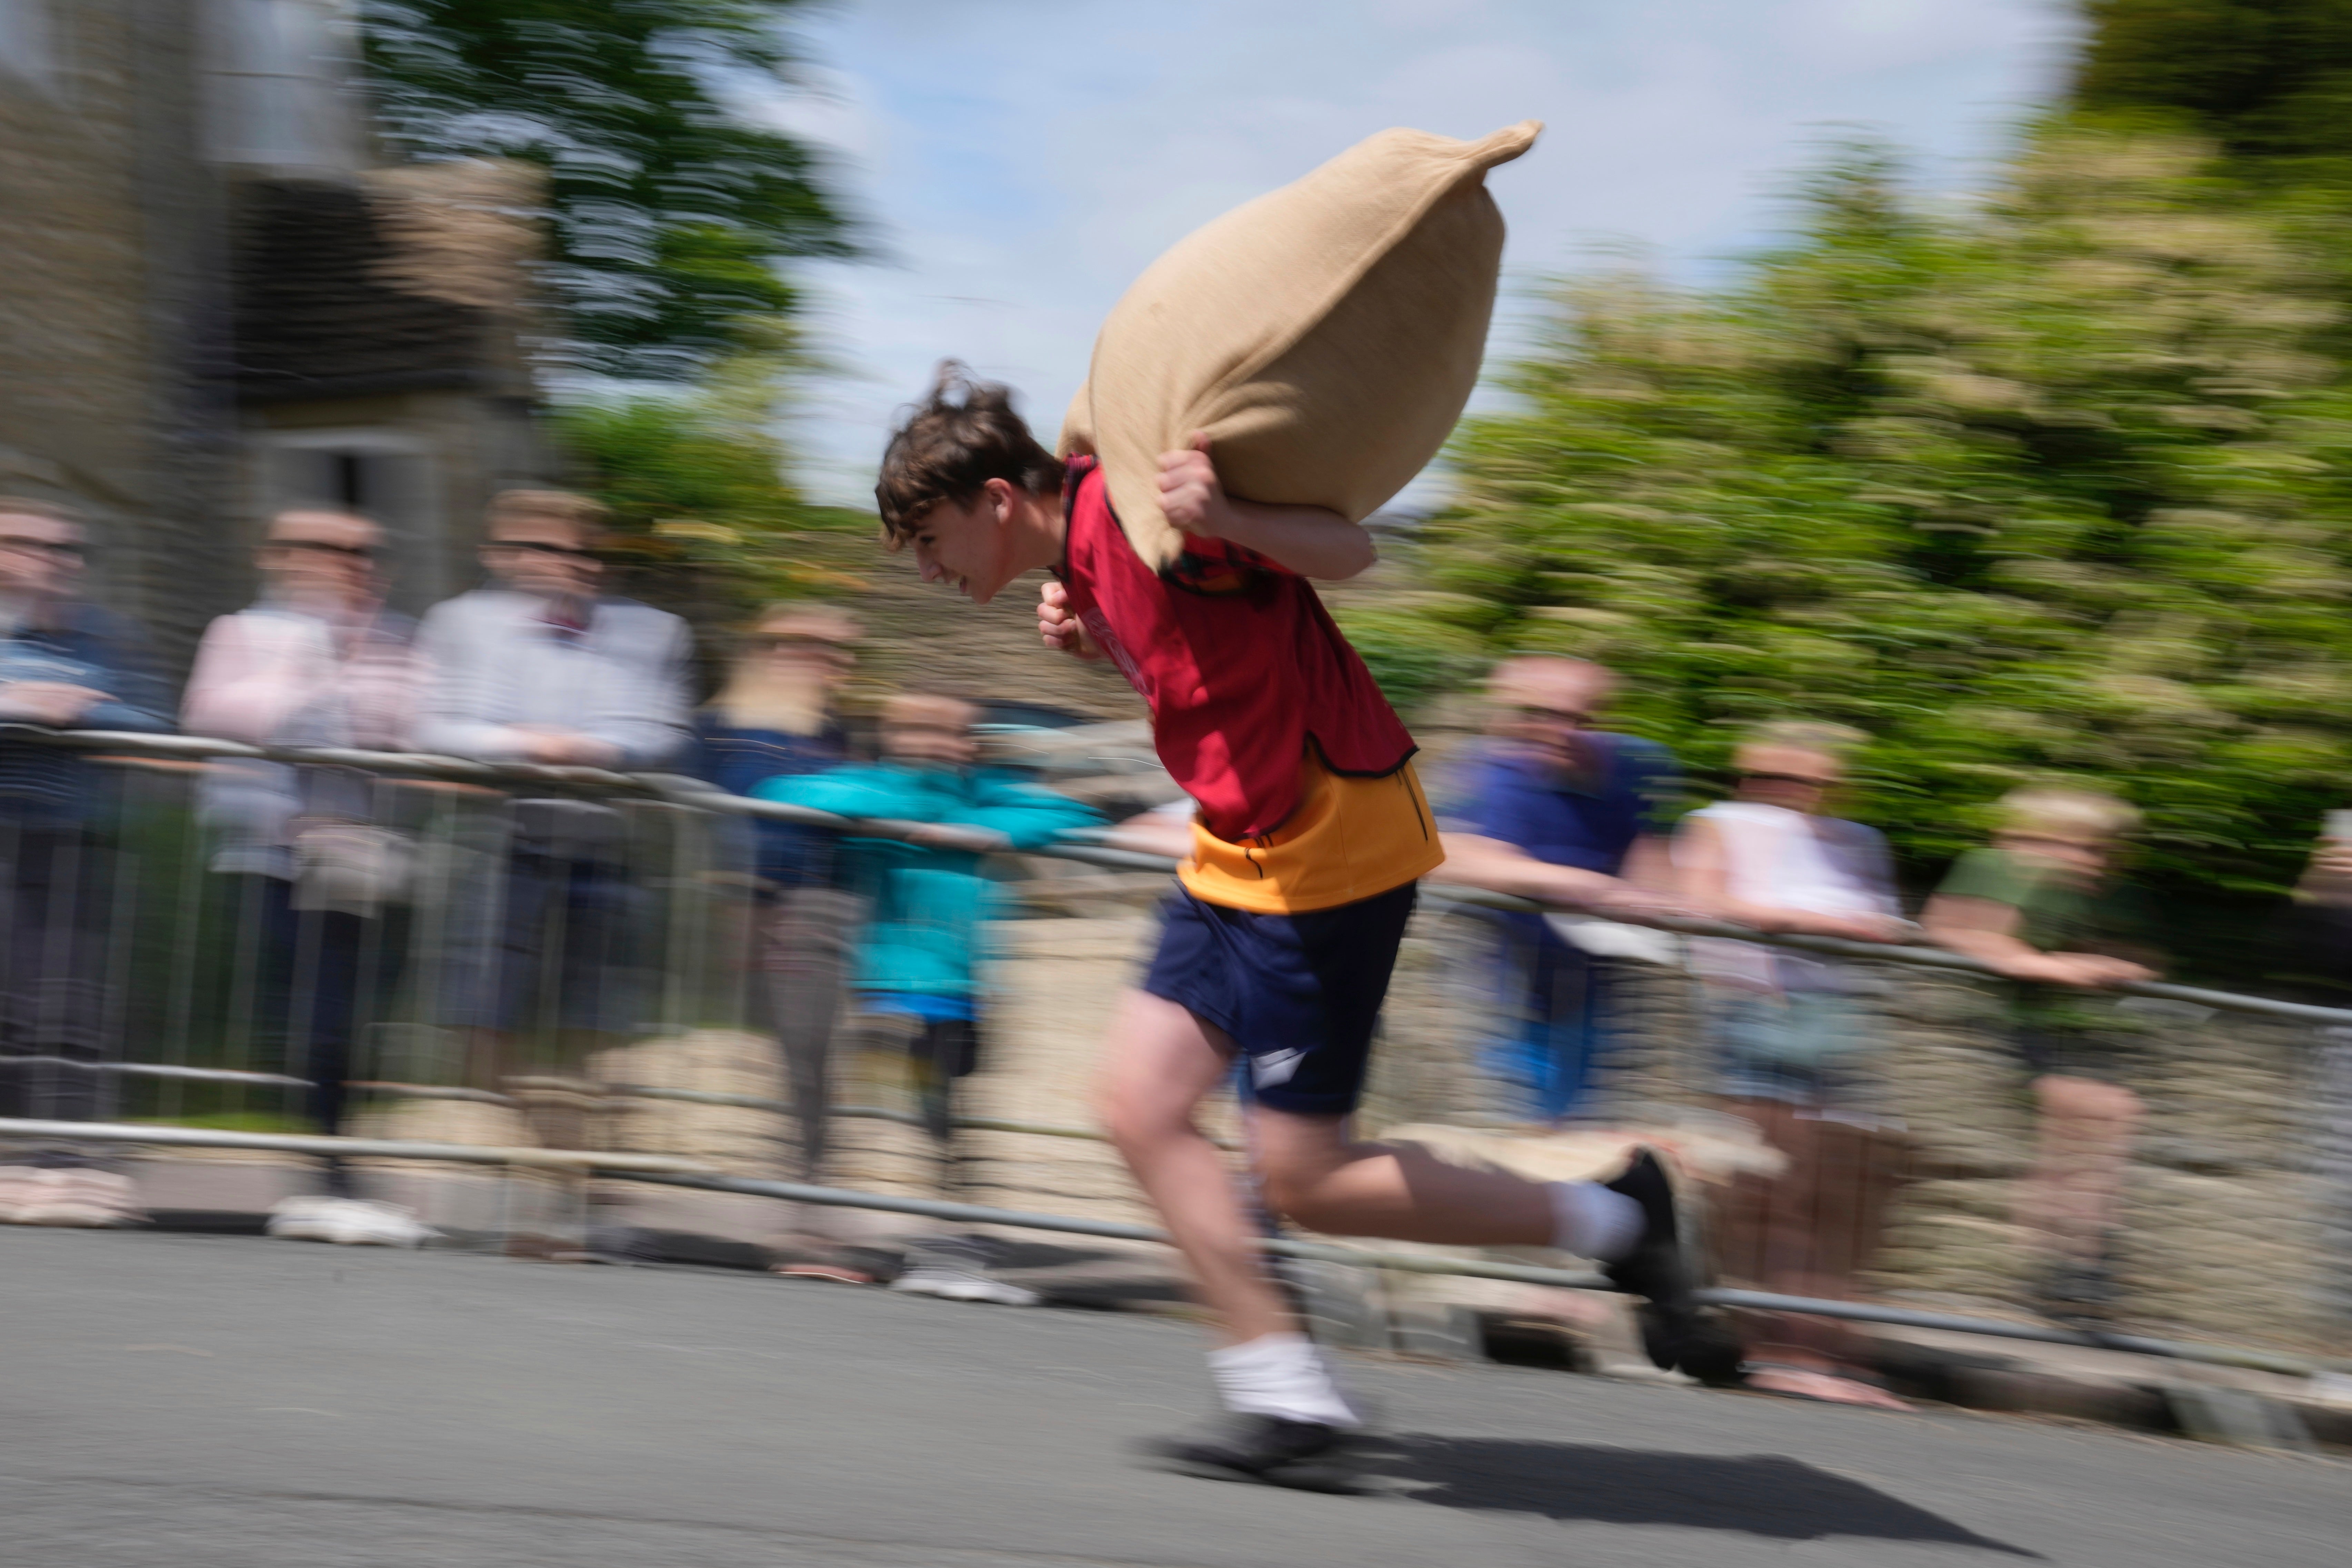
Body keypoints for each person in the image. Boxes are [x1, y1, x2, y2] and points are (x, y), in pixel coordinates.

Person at [873, 367, 1729, 1491]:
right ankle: (1286, 1393)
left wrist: (1227, 517)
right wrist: (1086, 625)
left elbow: (1346, 555)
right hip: (1234, 848)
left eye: (932, 542)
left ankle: (1621, 1217)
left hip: (1332, 850)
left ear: (995, 497)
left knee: (1305, 1178)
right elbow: (1199, 656)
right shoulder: (1081, 545)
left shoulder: (1147, 517)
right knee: (1136, 1107)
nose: (930, 572)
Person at [764, 691, 1099, 1302]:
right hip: (887, 989)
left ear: (968, 743)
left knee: (944, 1122)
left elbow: (1073, 816)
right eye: (914, 730)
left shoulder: (984, 795)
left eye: (945, 733)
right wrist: (899, 814)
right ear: (889, 735)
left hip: (959, 991)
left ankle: (950, 1238)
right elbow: (788, 793)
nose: (930, 744)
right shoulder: (872, 787)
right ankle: (831, 1231)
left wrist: (980, 832)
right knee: (871, 1112)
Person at [414, 490, 692, 1166]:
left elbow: (659, 734)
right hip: (495, 828)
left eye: (588, 552)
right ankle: (547, 1152)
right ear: (500, 555)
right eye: (550, 549)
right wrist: (524, 743)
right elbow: (428, 724)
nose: (575, 565)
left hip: (603, 836)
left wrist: (589, 750)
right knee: (478, 1014)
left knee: (592, 1017)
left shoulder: (652, 631)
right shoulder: (459, 622)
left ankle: (568, 1166)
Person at [182, 508, 432, 1247]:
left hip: (358, 853)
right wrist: (316, 658)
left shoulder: (395, 638)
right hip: (269, 851)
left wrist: (349, 668)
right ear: (278, 556)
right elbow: (223, 716)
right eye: (328, 549)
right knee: (311, 1011)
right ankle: (329, 1169)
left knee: (352, 1016)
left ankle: (336, 1164)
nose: (350, 564)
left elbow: (407, 726)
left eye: (363, 551)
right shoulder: (240, 631)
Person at [1673, 722, 1912, 1408]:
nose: (1792, 794)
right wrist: (1831, 925)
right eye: (1774, 778)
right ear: (1745, 780)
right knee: (1775, 1182)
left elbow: (1888, 922)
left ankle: (1818, 1342)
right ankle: (1777, 1347)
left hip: (1839, 1016)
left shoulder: (1857, 840)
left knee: (1837, 1188)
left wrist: (1852, 928)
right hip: (1758, 1010)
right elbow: (1708, 903)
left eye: (1811, 781)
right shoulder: (1718, 824)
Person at [1922, 786, 2159, 1323]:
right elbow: (1957, 931)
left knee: (2100, 1142)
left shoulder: (2099, 889)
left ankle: (2074, 1268)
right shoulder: (1996, 867)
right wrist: (2054, 967)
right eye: (2076, 847)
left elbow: (2136, 952)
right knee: (2080, 1139)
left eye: (2099, 851)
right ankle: (2066, 1270)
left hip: (2086, 1035)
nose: (2088, 862)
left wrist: (2124, 966)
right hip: (2024, 1030)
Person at [0, 497, 172, 1228]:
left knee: (66, 1005)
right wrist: (19, 699)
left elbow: (156, 720)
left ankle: (63, 1166)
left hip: (66, 839)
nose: (54, 561)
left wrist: (77, 710)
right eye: (29, 544)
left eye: (66, 548)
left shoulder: (105, 635)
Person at [1436, 657, 1682, 1118]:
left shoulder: (1638, 766)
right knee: (1500, 1123)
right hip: (1500, 986)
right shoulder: (1487, 767)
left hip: (1594, 983)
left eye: (1579, 718)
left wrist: (1653, 897)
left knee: (1571, 1122)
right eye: (1537, 715)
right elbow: (1448, 854)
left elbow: (1653, 856)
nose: (1559, 730)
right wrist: (1591, 887)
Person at [692, 604, 861, 1200]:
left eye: (838, 652)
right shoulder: (717, 725)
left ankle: (805, 1176)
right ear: (771, 651)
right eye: (813, 647)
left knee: (805, 1045)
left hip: (810, 907)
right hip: (730, 904)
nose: (834, 662)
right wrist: (729, 895)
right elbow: (695, 813)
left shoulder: (831, 731)